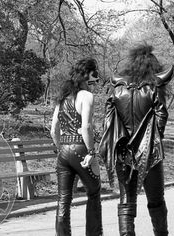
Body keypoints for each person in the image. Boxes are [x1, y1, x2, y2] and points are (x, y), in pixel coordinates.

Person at [99, 44, 174, 236]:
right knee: (156, 201)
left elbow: (107, 121)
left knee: (126, 201)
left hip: (123, 152)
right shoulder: (154, 87)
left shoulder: (117, 88)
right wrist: (154, 139)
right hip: (149, 153)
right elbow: (161, 116)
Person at [51, 58, 103, 236]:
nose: (95, 77)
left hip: (64, 151)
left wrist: (60, 149)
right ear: (88, 74)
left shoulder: (62, 98)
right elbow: (86, 127)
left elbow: (53, 130)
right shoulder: (86, 96)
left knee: (63, 199)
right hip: (81, 149)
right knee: (94, 192)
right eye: (94, 73)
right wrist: (91, 152)